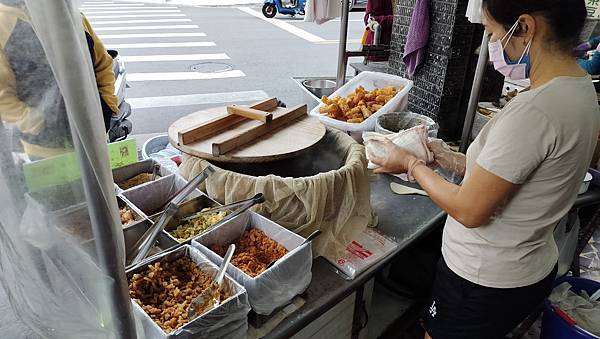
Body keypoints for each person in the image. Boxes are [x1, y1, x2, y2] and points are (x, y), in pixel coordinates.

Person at [369, 0, 598, 338]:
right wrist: (448, 159)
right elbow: (520, 176)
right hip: (528, 269)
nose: (489, 43)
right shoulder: (580, 88)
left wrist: (411, 163)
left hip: (483, 280)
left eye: (492, 31)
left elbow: (470, 210)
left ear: (525, 27)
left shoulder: (536, 111)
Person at [0, 1, 118, 159]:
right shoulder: (4, 23)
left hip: (92, 140)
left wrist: (107, 105)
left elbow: (103, 63)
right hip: (45, 151)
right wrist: (37, 123)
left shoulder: (72, 15)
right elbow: (3, 96)